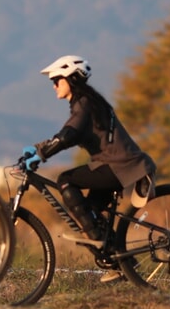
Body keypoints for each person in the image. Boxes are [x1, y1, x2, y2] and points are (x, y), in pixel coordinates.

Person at [23, 55, 157, 259]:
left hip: (118, 166)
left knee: (66, 181)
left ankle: (98, 240)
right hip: (117, 165)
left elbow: (69, 134)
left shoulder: (84, 104)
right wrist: (38, 148)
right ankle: (119, 262)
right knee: (91, 213)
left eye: (56, 80)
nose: (53, 86)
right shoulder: (86, 103)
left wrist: (41, 154)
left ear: (71, 79)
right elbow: (68, 133)